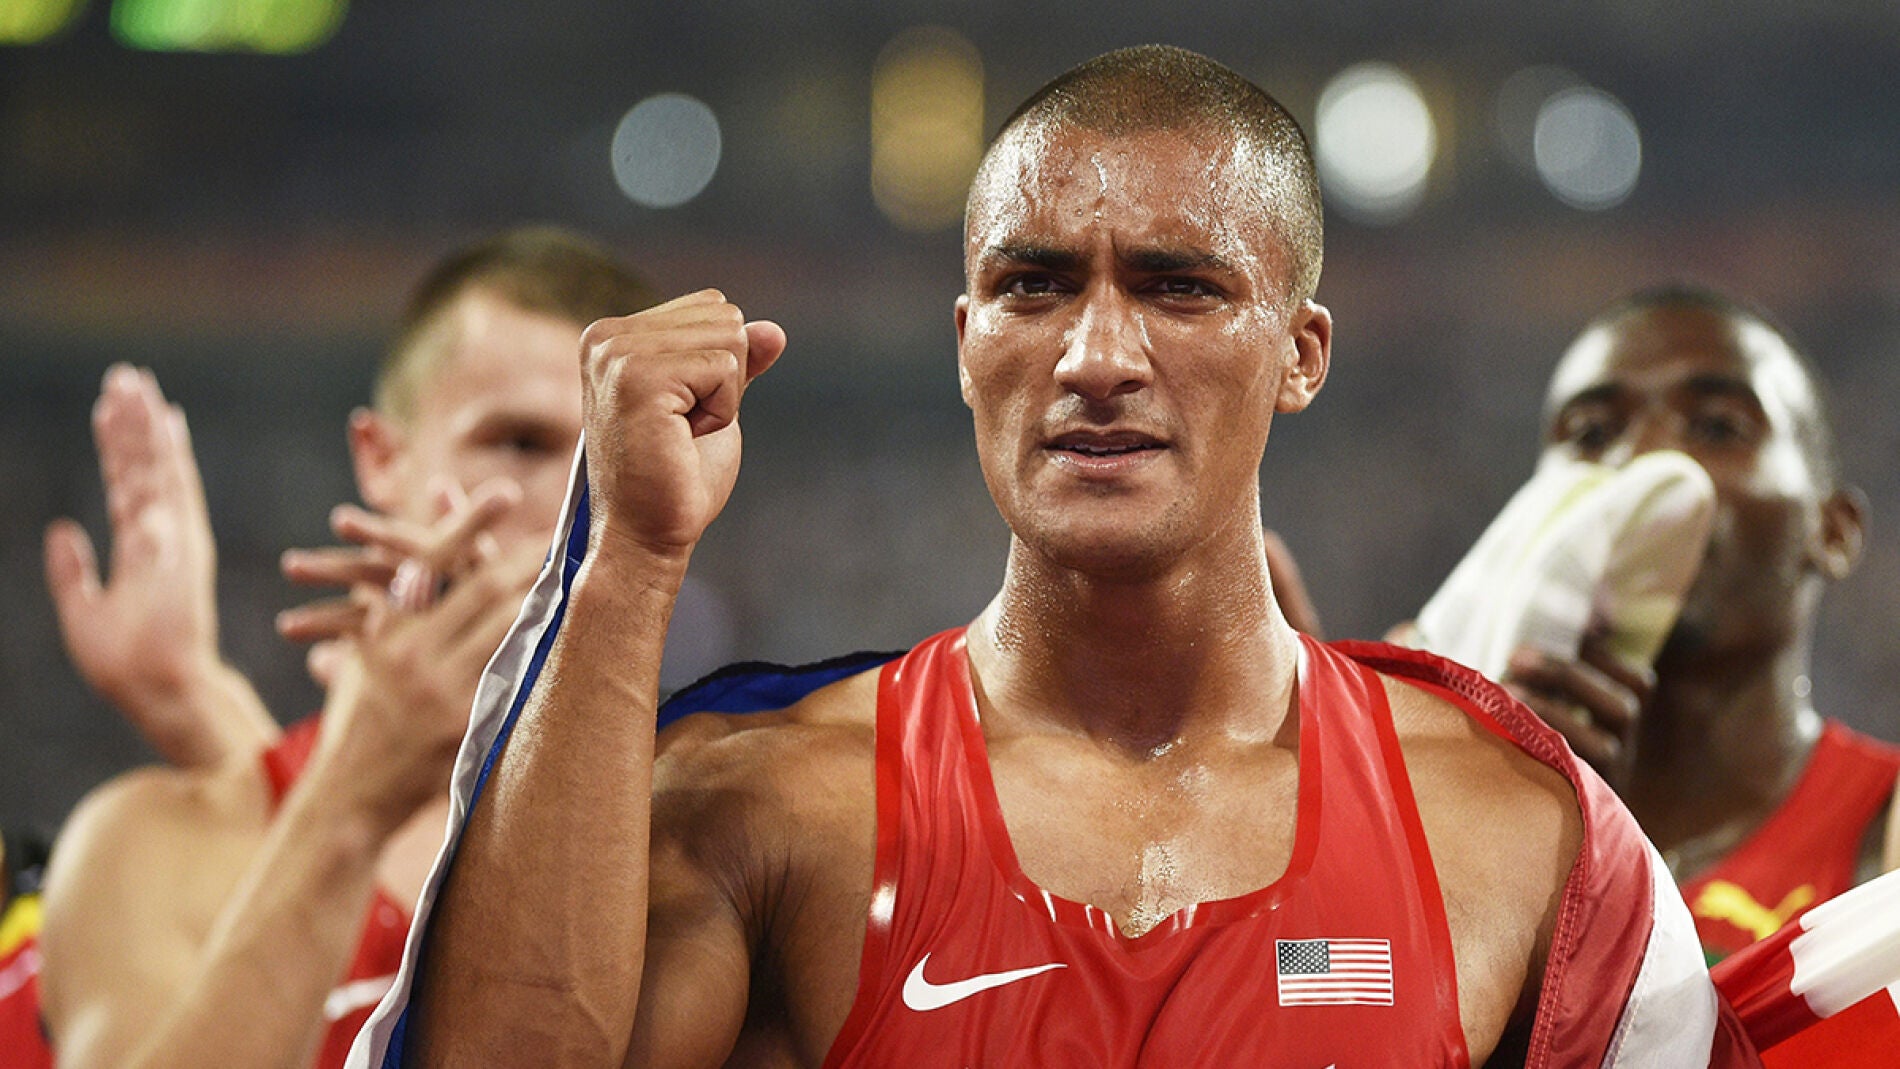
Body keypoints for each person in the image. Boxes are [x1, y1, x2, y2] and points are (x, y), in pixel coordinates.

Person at [392, 48, 1747, 1067]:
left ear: (1302, 354)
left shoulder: (1511, 828)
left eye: (1179, 285)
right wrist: (624, 562)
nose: (1098, 359)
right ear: (967, 340)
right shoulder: (775, 805)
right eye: (1036, 286)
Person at [35, 226, 658, 1069]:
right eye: (518, 442)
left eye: (612, 462)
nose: (571, 509)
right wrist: (351, 792)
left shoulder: (713, 850)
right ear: (381, 457)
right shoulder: (150, 847)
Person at [1502, 286, 1899, 962]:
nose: (1648, 467)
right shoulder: (1458, 839)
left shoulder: (1883, 838)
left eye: (1717, 426)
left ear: (1832, 530)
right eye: (1592, 435)